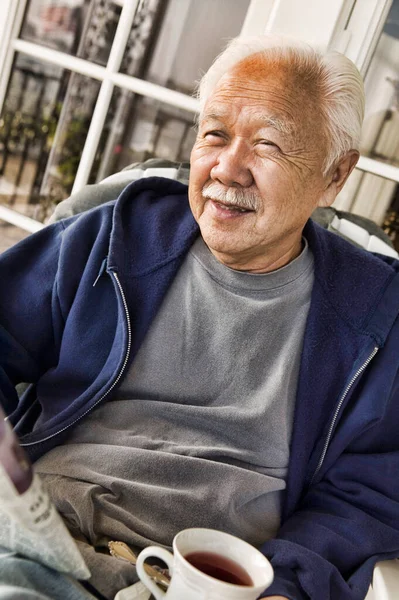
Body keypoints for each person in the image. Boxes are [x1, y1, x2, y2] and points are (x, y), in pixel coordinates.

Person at [1, 33, 399, 600]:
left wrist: (291, 582)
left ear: (335, 174)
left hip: (200, 584)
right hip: (41, 539)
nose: (227, 169)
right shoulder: (119, 236)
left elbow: (372, 489)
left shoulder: (373, 315)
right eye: (214, 134)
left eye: (267, 146)